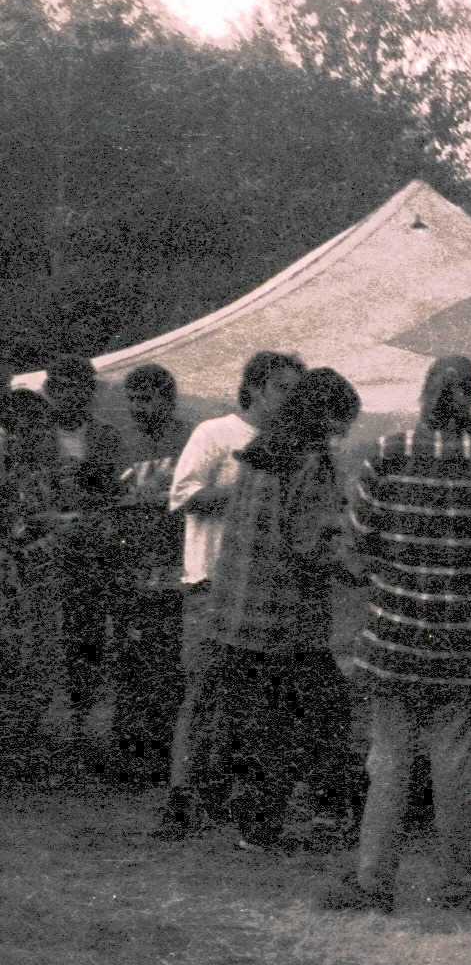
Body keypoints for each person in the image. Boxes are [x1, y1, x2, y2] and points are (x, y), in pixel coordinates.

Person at [321, 356, 471, 914]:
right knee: (455, 764)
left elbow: (354, 549)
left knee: (388, 761)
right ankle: (459, 880)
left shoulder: (386, 453)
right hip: (462, 644)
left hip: (394, 640)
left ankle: (371, 882)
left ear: (423, 392)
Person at [203, 368, 361, 852]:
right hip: (285, 615)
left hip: (238, 608)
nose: (344, 432)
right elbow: (307, 540)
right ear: (324, 415)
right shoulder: (310, 461)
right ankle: (282, 820)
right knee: (304, 716)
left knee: (257, 717)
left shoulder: (261, 450)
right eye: (342, 420)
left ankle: (258, 817)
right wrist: (357, 565)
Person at [157, 351, 304, 837]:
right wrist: (246, 487)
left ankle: (223, 797)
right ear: (256, 388)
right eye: (284, 387)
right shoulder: (215, 434)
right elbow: (183, 497)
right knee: (201, 694)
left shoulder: (292, 444)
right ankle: (179, 799)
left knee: (252, 702)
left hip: (259, 592)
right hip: (211, 585)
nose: (291, 398)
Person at [29, 354, 125, 759]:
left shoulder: (106, 437)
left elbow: (117, 495)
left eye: (81, 388)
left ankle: (83, 725)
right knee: (42, 636)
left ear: (92, 392)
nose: (72, 396)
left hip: (89, 550)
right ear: (50, 391)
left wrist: (94, 518)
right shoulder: (30, 438)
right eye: (63, 387)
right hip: (42, 550)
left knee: (87, 634)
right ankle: (36, 729)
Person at [105, 364, 194, 785]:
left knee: (169, 657)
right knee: (131, 658)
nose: (140, 407)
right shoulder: (121, 441)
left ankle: (166, 751)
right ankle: (130, 751)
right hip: (132, 562)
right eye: (134, 399)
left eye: (149, 398)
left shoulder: (189, 439)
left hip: (176, 562)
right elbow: (110, 498)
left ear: (168, 399)